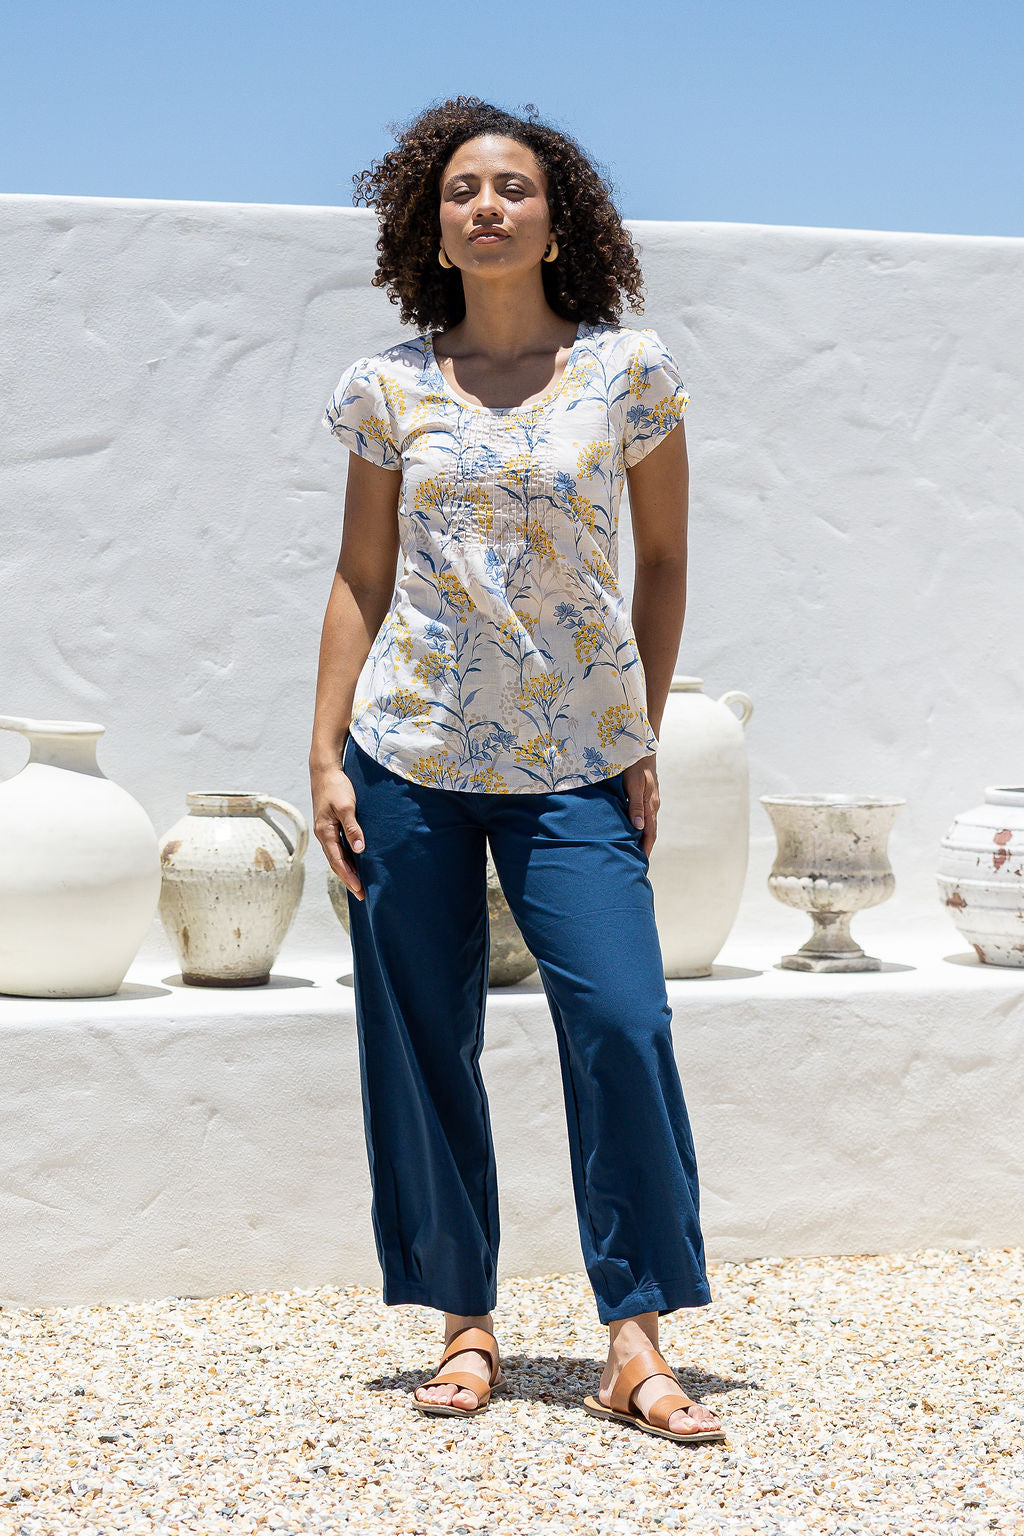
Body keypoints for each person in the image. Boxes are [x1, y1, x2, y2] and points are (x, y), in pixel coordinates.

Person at [310, 96, 725, 1445]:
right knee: (421, 1036)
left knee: (622, 1021)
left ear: (559, 220)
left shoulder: (627, 374)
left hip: (575, 764)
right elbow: (362, 573)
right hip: (409, 752)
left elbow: (662, 562)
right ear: (429, 227)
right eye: (461, 191)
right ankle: (464, 1322)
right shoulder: (390, 387)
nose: (486, 206)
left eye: (513, 187)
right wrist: (324, 752)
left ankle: (634, 1336)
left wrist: (638, 732)